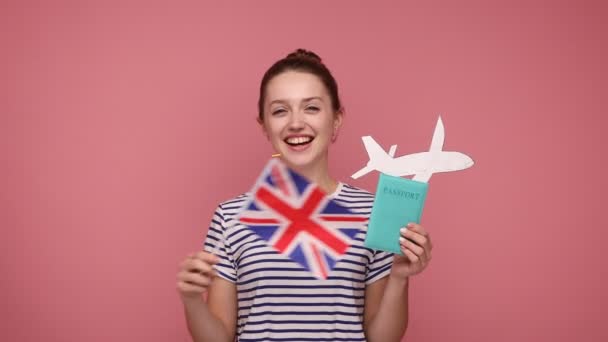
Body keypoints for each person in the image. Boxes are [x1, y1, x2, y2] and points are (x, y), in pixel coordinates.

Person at [176, 49, 433, 342]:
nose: (295, 122)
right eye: (280, 111)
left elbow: (382, 339)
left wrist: (398, 278)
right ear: (264, 126)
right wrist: (192, 300)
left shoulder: (373, 212)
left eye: (311, 108)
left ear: (336, 120)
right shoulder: (231, 216)